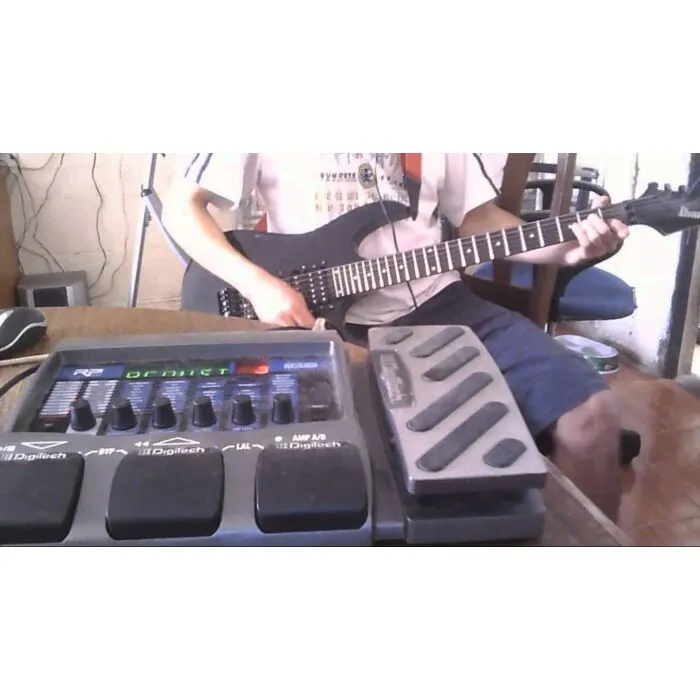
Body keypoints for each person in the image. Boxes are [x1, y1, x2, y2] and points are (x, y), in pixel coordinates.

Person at [163, 153, 630, 520]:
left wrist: (566, 249)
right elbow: (182, 209)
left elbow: (478, 219)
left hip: (441, 305)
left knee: (592, 417)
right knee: (338, 464)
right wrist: (258, 286)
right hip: (314, 316)